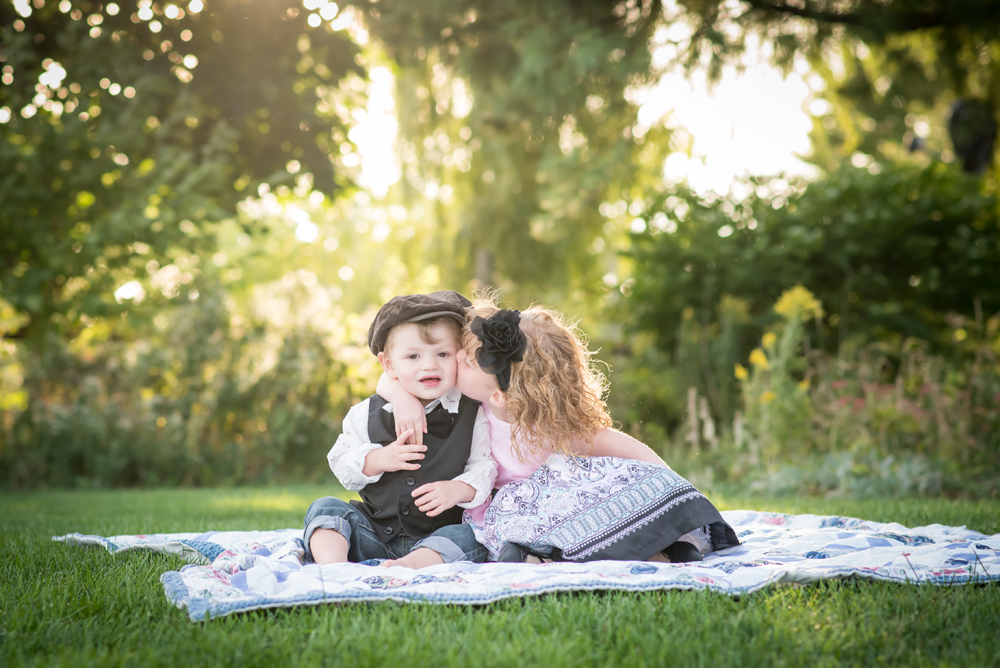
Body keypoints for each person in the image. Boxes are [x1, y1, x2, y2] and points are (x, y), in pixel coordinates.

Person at [381, 293, 740, 563]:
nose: (456, 356)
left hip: (564, 510)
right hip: (513, 517)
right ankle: (536, 557)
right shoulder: (470, 400)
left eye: (468, 360)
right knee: (508, 529)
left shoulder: (549, 427)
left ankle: (664, 550)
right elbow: (390, 377)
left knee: (601, 509)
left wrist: (671, 483)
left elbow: (615, 443)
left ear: (500, 395)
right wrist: (401, 396)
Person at [303, 291, 496, 569]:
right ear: (388, 365)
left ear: (459, 357)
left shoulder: (472, 412)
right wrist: (377, 459)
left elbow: (484, 466)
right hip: (373, 532)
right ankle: (333, 566)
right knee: (325, 508)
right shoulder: (364, 414)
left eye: (442, 354)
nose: (429, 364)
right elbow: (340, 460)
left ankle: (407, 566)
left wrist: (458, 489)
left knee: (472, 536)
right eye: (413, 356)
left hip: (436, 538)